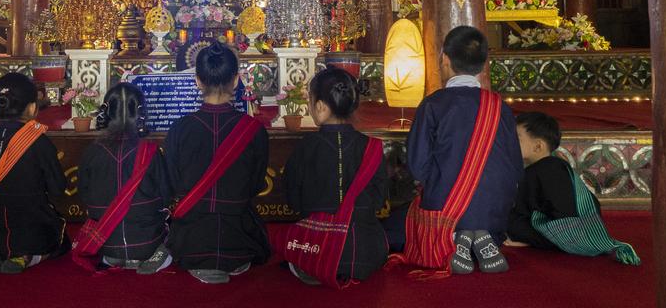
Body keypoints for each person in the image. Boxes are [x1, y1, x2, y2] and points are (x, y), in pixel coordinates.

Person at [402, 26, 522, 276]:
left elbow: (417, 164)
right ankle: (483, 235)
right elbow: (515, 165)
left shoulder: (433, 104)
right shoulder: (499, 106)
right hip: (495, 209)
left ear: (444, 59)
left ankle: (459, 237)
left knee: (399, 222)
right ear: (484, 64)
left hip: (448, 207)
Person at [165, 42, 270, 284]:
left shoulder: (180, 129)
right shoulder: (253, 129)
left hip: (191, 241)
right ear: (236, 80)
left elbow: (173, 182)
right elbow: (256, 184)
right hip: (240, 240)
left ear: (198, 81)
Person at [279, 69, 389, 287]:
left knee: (288, 246)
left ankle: (318, 265)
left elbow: (293, 200)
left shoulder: (306, 147)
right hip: (364, 252)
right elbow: (379, 200)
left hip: (315, 246)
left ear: (320, 106)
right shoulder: (372, 147)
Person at [0, 73, 68, 274]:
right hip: (30, 235)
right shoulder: (38, 141)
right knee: (61, 238)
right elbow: (58, 188)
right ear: (31, 107)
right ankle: (28, 256)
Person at [505, 112, 640, 264]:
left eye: (517, 138)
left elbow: (560, 211)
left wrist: (525, 233)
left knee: (508, 222)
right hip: (570, 226)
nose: (510, 142)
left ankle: (544, 241)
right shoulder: (547, 166)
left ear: (538, 146)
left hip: (568, 229)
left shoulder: (548, 168)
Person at [74, 83, 173, 274]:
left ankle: (115, 258)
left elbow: (84, 195)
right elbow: (166, 196)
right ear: (141, 112)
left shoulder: (92, 151)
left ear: (106, 112)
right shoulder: (150, 151)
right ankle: (154, 254)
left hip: (106, 243)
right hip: (146, 243)